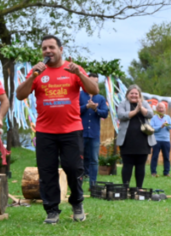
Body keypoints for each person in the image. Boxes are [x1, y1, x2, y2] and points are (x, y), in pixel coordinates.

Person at [15, 35, 99, 224]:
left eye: (51, 47)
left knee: (73, 168)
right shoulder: (37, 73)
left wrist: (79, 74)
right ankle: (52, 210)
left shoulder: (72, 69)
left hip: (71, 129)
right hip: (45, 131)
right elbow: (20, 95)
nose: (48, 51)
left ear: (61, 49)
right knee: (47, 172)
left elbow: (94, 90)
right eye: (44, 48)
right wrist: (33, 76)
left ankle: (77, 202)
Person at [116, 85, 155, 189]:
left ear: (139, 95)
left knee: (140, 165)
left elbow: (150, 114)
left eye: (136, 94)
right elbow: (121, 115)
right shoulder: (122, 104)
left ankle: (139, 188)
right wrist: (135, 111)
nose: (134, 95)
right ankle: (126, 187)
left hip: (143, 140)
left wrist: (140, 107)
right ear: (127, 94)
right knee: (127, 164)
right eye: (131, 93)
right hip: (127, 140)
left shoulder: (145, 103)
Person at [79, 73, 109, 188]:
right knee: (79, 159)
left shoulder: (100, 98)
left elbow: (105, 114)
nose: (92, 84)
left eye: (95, 82)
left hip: (94, 134)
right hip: (80, 133)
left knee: (94, 160)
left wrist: (96, 109)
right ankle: (78, 184)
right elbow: (74, 111)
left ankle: (93, 185)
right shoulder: (79, 95)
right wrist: (86, 107)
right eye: (90, 81)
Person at [150, 102, 171, 177]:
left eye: (162, 108)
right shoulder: (154, 118)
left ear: (165, 109)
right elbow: (151, 128)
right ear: (156, 109)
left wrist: (167, 125)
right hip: (156, 140)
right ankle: (153, 172)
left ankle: (166, 172)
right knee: (155, 156)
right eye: (159, 108)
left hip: (166, 140)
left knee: (166, 157)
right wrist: (161, 126)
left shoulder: (168, 117)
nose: (161, 109)